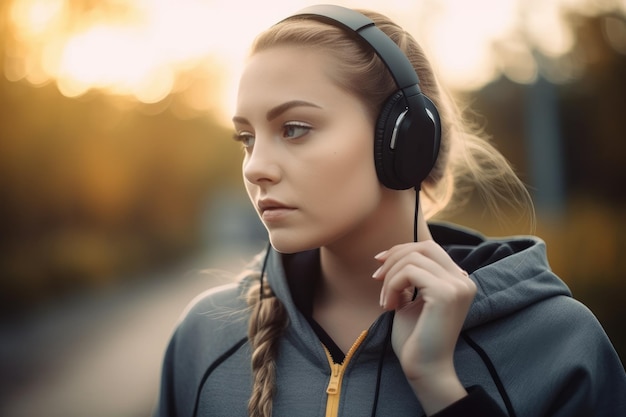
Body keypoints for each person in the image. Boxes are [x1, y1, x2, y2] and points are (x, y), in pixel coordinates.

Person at [154, 5, 626, 417]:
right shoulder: (202, 341)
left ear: (403, 140)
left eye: (294, 128)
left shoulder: (560, 345)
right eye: (246, 138)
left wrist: (441, 389)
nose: (255, 168)